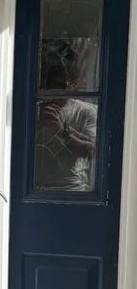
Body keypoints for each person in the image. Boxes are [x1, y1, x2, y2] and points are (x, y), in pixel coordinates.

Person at [35, 40, 97, 192]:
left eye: (61, 85)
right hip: (36, 188)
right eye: (50, 85)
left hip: (73, 189)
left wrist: (63, 131)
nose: (54, 91)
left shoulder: (86, 111)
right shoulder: (33, 110)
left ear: (74, 85)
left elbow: (91, 151)